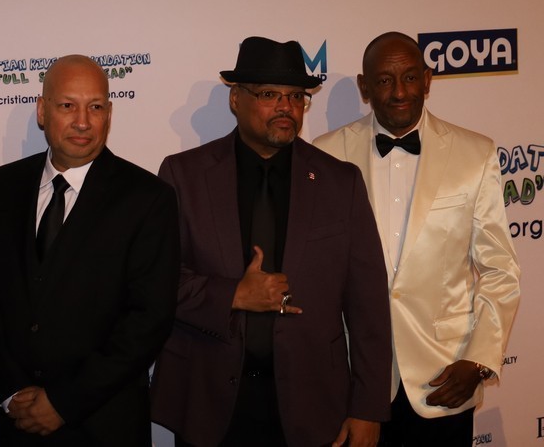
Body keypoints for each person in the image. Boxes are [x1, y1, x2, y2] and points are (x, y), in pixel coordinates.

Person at [150, 36, 392, 447]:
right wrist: (233, 295)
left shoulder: (340, 182)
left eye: (296, 96)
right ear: (236, 99)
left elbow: (368, 304)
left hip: (313, 403)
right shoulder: (183, 176)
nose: (286, 107)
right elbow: (157, 284)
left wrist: (368, 408)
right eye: (269, 95)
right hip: (208, 400)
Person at [314, 31, 521, 445]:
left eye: (410, 77)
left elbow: (500, 270)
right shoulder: (326, 154)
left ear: (427, 80)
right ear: (365, 87)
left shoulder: (475, 153)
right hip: (353, 381)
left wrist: (478, 360)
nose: (399, 92)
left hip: (444, 379)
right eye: (384, 80)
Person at [0, 55, 179, 446]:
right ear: (42, 110)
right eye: (68, 105)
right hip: (19, 423)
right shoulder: (5, 185)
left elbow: (148, 320)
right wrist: (10, 390)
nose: (83, 121)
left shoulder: (148, 198)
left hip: (106, 425)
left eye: (95, 107)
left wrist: (64, 402)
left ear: (109, 114)